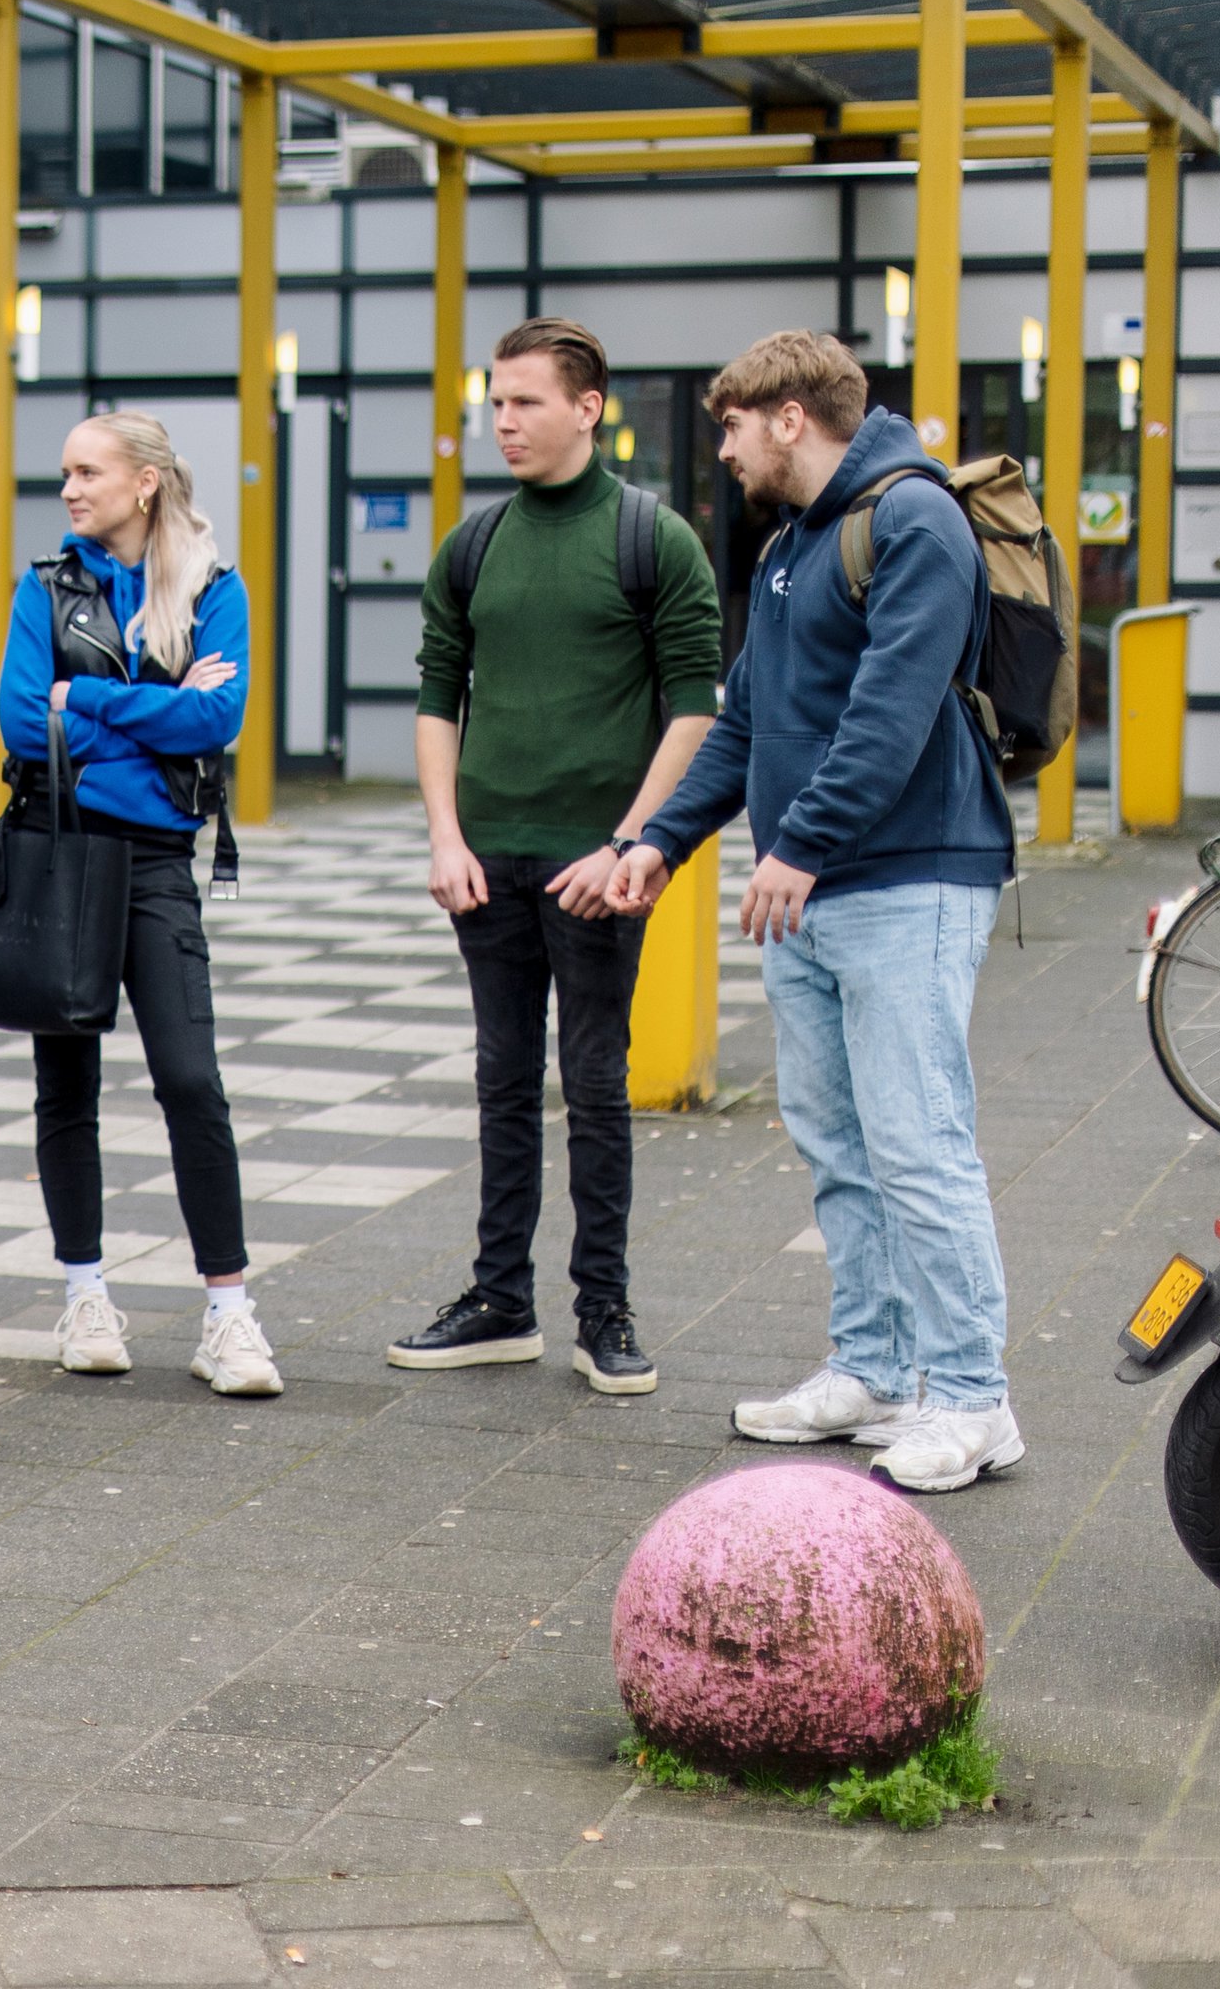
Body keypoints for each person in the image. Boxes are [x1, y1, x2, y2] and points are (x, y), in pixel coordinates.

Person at [611, 330, 1022, 1493]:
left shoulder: (915, 523)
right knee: (841, 1145)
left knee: (918, 1142)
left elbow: (890, 712)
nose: (724, 449)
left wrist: (800, 844)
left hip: (910, 880)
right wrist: (661, 842)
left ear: (790, 416)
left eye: (733, 425)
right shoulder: (792, 545)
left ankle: (975, 1396)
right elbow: (744, 722)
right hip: (814, 892)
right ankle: (876, 1368)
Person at [394, 318, 723, 1396]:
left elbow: (696, 707)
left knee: (594, 1084)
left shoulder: (651, 537)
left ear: (587, 408)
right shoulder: (473, 544)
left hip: (598, 870)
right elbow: (438, 695)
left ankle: (602, 1309)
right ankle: (500, 1300)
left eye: (525, 401)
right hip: (486, 864)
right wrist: (444, 836)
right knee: (500, 1082)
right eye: (496, 401)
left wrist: (631, 842)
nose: (503, 421)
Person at [0, 410, 277, 1394]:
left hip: (159, 862)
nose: (69, 489)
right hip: (61, 850)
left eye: (87, 472)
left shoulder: (213, 587)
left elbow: (218, 716)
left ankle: (228, 1315)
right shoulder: (47, 587)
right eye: (64, 471)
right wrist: (144, 721)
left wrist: (92, 701)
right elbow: (25, 725)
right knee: (65, 1084)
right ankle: (84, 1295)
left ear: (145, 481)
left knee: (191, 1080)